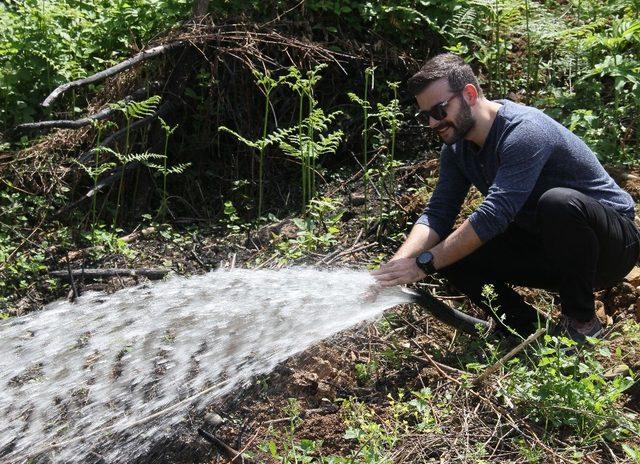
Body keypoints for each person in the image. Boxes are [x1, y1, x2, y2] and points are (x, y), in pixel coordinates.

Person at [371, 53, 640, 341]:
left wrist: (423, 263)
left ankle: (582, 323)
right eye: (424, 116)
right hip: (550, 250)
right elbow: (437, 214)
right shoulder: (456, 151)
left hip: (610, 246)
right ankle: (527, 330)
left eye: (438, 111)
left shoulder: (524, 131)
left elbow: (493, 215)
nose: (433, 124)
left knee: (557, 203)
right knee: (450, 254)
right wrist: (394, 269)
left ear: (470, 94)